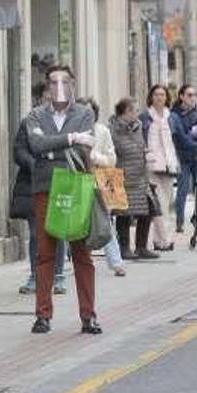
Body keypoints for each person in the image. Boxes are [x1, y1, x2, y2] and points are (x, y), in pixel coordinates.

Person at [24, 65, 101, 335]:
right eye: (54, 82)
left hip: (75, 187)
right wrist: (69, 138)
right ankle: (42, 315)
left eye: (65, 81)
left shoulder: (84, 113)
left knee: (82, 253)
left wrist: (52, 147)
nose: (60, 87)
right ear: (47, 87)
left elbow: (83, 147)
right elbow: (36, 146)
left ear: (73, 85)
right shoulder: (35, 115)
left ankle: (88, 316)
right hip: (46, 188)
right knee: (45, 252)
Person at [13, 116, 70, 292]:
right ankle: (35, 276)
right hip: (33, 183)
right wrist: (33, 163)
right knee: (36, 233)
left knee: (57, 230)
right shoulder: (29, 122)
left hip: (60, 180)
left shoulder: (67, 121)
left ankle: (58, 275)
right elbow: (19, 151)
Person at [78, 97, 126, 276]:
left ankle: (116, 262)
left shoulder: (102, 131)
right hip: (79, 182)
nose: (86, 115)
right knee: (81, 223)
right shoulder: (72, 132)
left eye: (89, 111)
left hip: (100, 180)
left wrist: (97, 158)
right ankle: (83, 258)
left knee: (104, 221)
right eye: (82, 111)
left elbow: (112, 158)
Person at [111, 98, 160, 260]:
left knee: (148, 210)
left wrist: (147, 154)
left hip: (140, 176)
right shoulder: (114, 129)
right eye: (134, 110)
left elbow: (141, 145)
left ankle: (141, 246)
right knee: (124, 213)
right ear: (126, 112)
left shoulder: (138, 127)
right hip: (123, 177)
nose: (137, 114)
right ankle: (124, 247)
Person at [140, 85, 179, 252]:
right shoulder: (145, 117)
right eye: (156, 94)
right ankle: (164, 240)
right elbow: (140, 139)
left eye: (162, 94)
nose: (159, 97)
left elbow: (180, 138)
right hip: (152, 165)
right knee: (159, 204)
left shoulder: (172, 117)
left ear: (167, 97)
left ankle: (162, 239)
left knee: (169, 204)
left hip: (169, 165)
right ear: (151, 97)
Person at [170, 85, 197, 234]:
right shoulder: (174, 115)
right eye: (189, 95)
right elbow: (180, 137)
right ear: (181, 96)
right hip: (182, 155)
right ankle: (179, 221)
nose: (193, 98)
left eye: (194, 95)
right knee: (182, 189)